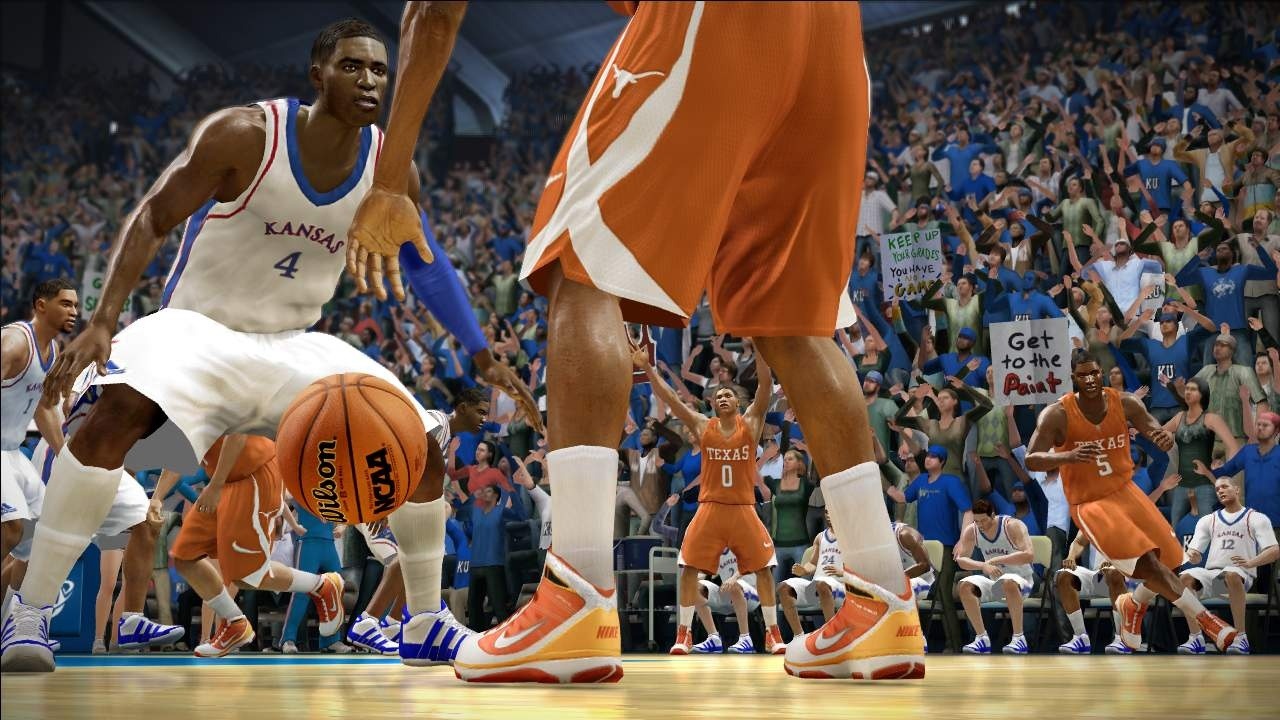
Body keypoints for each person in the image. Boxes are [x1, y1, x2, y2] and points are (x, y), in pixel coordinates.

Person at [352, 2, 922, 684]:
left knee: (581, 265)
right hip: (831, 32)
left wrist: (390, 182)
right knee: (794, 323)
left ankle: (575, 595)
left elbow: (434, 11)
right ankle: (882, 600)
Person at [1, 18, 538, 673]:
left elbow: (425, 264)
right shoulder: (247, 135)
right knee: (113, 413)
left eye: (378, 69)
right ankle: (30, 611)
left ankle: (424, 621)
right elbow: (153, 216)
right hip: (196, 329)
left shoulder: (386, 167)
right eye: (352, 66)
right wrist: (105, 318)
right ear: (318, 74)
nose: (369, 80)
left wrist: (481, 353)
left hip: (292, 344)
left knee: (419, 435)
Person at [1025, 349, 1238, 654]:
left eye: (1094, 373)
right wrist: (1067, 456)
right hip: (1091, 503)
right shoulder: (1057, 414)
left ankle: (1132, 604)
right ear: (1073, 378)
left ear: (1101, 372)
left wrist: (1164, 438)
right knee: (1148, 563)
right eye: (1083, 375)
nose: (1090, 379)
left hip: (1125, 490)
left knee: (1170, 561)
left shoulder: (1125, 402)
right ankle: (1210, 624)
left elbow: (1154, 430)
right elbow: (1031, 459)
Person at [634, 350, 784, 656]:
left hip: (742, 508)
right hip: (710, 507)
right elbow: (672, 398)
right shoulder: (703, 426)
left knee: (764, 569)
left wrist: (760, 348)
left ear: (738, 402)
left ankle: (773, 634)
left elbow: (765, 385)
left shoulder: (751, 422)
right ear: (713, 404)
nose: (723, 398)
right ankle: (684, 634)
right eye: (718, 396)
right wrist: (648, 367)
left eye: (728, 395)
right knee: (688, 567)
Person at [164, 435, 342, 657]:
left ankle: (322, 586)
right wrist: (156, 499)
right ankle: (235, 622)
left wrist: (215, 485)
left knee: (245, 575)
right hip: (224, 480)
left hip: (253, 474)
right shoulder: (175, 419)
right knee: (184, 556)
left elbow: (236, 434)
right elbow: (178, 455)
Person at [348, 387, 487, 659]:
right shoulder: (435, 423)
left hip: (387, 499)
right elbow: (391, 453)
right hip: (376, 500)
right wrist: (383, 501)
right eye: (480, 411)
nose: (484, 419)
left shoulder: (444, 433)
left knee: (419, 557)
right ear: (462, 408)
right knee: (405, 557)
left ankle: (394, 624)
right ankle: (367, 623)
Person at [1176, 477, 1277, 655]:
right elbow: (1196, 555)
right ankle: (1196, 638)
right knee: (1185, 578)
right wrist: (1192, 555)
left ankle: (1241, 637)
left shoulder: (1256, 518)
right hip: (1214, 576)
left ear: (1237, 489)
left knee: (1231, 574)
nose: (1220, 491)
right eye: (1217, 489)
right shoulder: (1208, 520)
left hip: (1241, 577)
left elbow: (1275, 550)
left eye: (1224, 486)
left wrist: (1251, 562)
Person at [953, 500, 1035, 655]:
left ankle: (1019, 638)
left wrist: (997, 560)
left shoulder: (1012, 526)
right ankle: (981, 638)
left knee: (1008, 582)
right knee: (964, 586)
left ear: (993, 515)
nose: (980, 525)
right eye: (977, 521)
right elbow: (962, 560)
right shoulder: (972, 530)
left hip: (1022, 581)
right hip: (996, 583)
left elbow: (1029, 555)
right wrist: (983, 566)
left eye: (983, 520)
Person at [1194, 412, 1280, 538]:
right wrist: (1207, 472)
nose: (1260, 428)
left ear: (1277, 430)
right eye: (1258, 424)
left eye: (1265, 425)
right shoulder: (1248, 451)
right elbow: (1227, 471)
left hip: (1276, 522)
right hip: (1252, 522)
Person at [687, 548, 778, 655]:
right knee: (695, 587)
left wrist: (734, 577)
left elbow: (752, 565)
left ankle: (745, 639)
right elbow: (704, 572)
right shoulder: (718, 548)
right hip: (729, 593)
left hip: (753, 595)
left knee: (735, 585)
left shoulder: (748, 543)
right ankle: (714, 638)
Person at [1055, 534, 1133, 655]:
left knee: (1114, 573)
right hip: (1098, 575)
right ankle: (1080, 637)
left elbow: (1134, 546)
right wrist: (1071, 557)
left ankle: (1123, 638)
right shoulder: (1090, 522)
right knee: (1064, 575)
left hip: (1126, 576)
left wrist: (1114, 560)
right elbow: (1079, 542)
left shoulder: (1126, 522)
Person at [779, 511, 846, 638]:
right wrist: (804, 570)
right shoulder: (820, 537)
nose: (828, 515)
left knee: (822, 585)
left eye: (831, 511)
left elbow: (860, 566)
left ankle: (831, 634)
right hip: (815, 588)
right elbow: (812, 563)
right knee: (784, 588)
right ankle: (798, 636)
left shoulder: (849, 536)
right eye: (826, 512)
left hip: (840, 587)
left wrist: (842, 571)